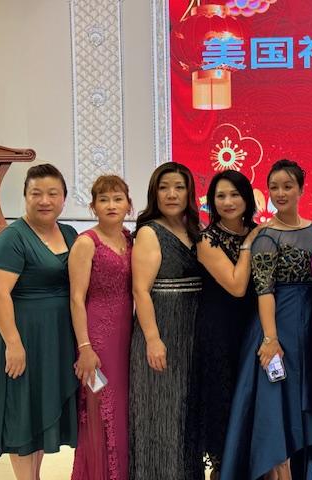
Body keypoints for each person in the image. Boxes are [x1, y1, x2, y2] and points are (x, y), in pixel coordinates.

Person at [221, 159, 312, 480]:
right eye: (274, 187)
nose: (280, 193)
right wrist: (270, 338)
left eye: (288, 186)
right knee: (275, 413)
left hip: (308, 330)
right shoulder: (265, 236)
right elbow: (264, 290)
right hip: (276, 329)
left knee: (297, 410)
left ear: (301, 189)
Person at [0, 164, 78, 480]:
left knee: (40, 409)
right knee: (23, 414)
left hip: (57, 338)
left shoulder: (69, 234)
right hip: (25, 337)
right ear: (25, 197)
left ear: (64, 198)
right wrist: (13, 344)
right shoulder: (13, 237)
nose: (44, 200)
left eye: (52, 193)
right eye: (36, 193)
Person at [184, 170, 262, 479]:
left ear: (247, 198)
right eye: (220, 196)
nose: (228, 201)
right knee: (223, 406)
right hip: (218, 332)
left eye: (234, 194)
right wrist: (248, 245)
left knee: (251, 406)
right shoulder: (207, 239)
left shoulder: (259, 232)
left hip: (252, 330)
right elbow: (237, 285)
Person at [128, 162, 202, 480]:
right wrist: (153, 339)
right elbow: (141, 291)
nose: (171, 194)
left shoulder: (196, 230)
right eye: (164, 187)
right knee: (161, 412)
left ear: (189, 193)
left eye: (179, 187)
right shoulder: (149, 232)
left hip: (192, 329)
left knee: (186, 413)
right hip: (162, 330)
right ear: (154, 193)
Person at [69, 175, 134, 480]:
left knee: (122, 411)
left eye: (118, 199)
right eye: (104, 200)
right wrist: (85, 347)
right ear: (93, 206)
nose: (111, 205)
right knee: (101, 409)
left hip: (127, 337)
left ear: (128, 205)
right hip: (97, 338)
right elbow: (76, 298)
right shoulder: (86, 242)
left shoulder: (129, 239)